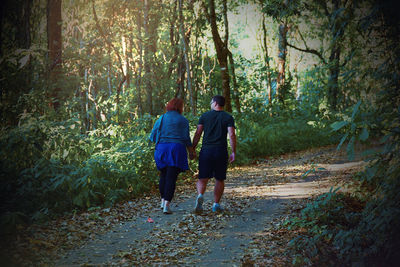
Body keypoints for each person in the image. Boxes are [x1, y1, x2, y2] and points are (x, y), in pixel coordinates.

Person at [149, 98, 195, 214]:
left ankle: (163, 201)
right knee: (171, 177)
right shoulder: (183, 120)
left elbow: (153, 136)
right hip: (176, 149)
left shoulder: (161, 118)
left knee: (163, 175)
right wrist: (191, 151)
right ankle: (166, 205)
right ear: (180, 107)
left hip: (162, 149)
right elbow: (186, 138)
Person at [192, 95, 236, 212]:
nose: (211, 104)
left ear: (215, 103)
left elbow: (198, 133)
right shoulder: (228, 117)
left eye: (211, 102)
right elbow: (231, 134)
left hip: (206, 150)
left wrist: (192, 148)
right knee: (219, 178)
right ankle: (216, 204)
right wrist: (233, 151)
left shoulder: (205, 116)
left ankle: (200, 195)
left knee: (202, 177)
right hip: (220, 151)